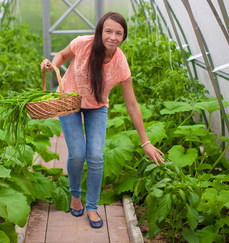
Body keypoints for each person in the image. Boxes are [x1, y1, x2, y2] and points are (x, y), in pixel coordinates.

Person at [40, 12, 164, 229]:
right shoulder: (82, 44)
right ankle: (75, 195)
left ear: (124, 37)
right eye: (108, 31)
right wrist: (52, 65)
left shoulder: (120, 63)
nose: (113, 37)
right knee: (77, 154)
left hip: (97, 107)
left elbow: (132, 105)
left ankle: (92, 206)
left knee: (96, 156)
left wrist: (146, 142)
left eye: (119, 33)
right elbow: (61, 55)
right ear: (100, 31)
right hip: (69, 100)